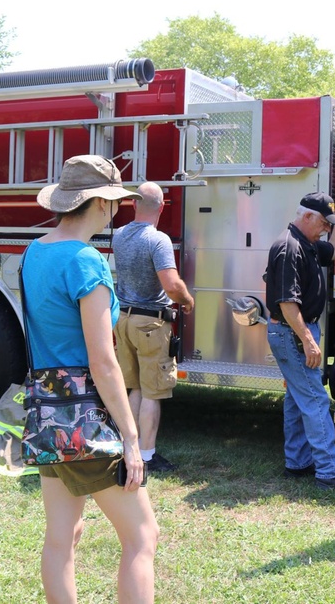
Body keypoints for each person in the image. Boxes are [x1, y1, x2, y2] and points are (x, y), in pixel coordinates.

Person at [25, 155, 159, 603]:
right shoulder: (86, 261)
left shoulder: (34, 252)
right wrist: (131, 435)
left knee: (63, 536)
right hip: (87, 417)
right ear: (102, 204)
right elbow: (104, 362)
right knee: (142, 536)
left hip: (46, 411)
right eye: (116, 200)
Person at [264, 191, 335, 492]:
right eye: (323, 222)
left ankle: (297, 464)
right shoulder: (288, 247)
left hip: (293, 332)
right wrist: (308, 340)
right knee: (315, 400)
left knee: (298, 400)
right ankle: (329, 472)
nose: (325, 228)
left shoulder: (307, 243)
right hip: (292, 333)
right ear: (306, 216)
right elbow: (286, 303)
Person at [112, 182, 195, 473]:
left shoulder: (119, 235)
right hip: (150, 323)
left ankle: (130, 449)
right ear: (162, 207)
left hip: (123, 319)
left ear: (134, 205)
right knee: (153, 392)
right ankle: (147, 457)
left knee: (134, 387)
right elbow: (171, 285)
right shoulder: (157, 240)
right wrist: (186, 300)